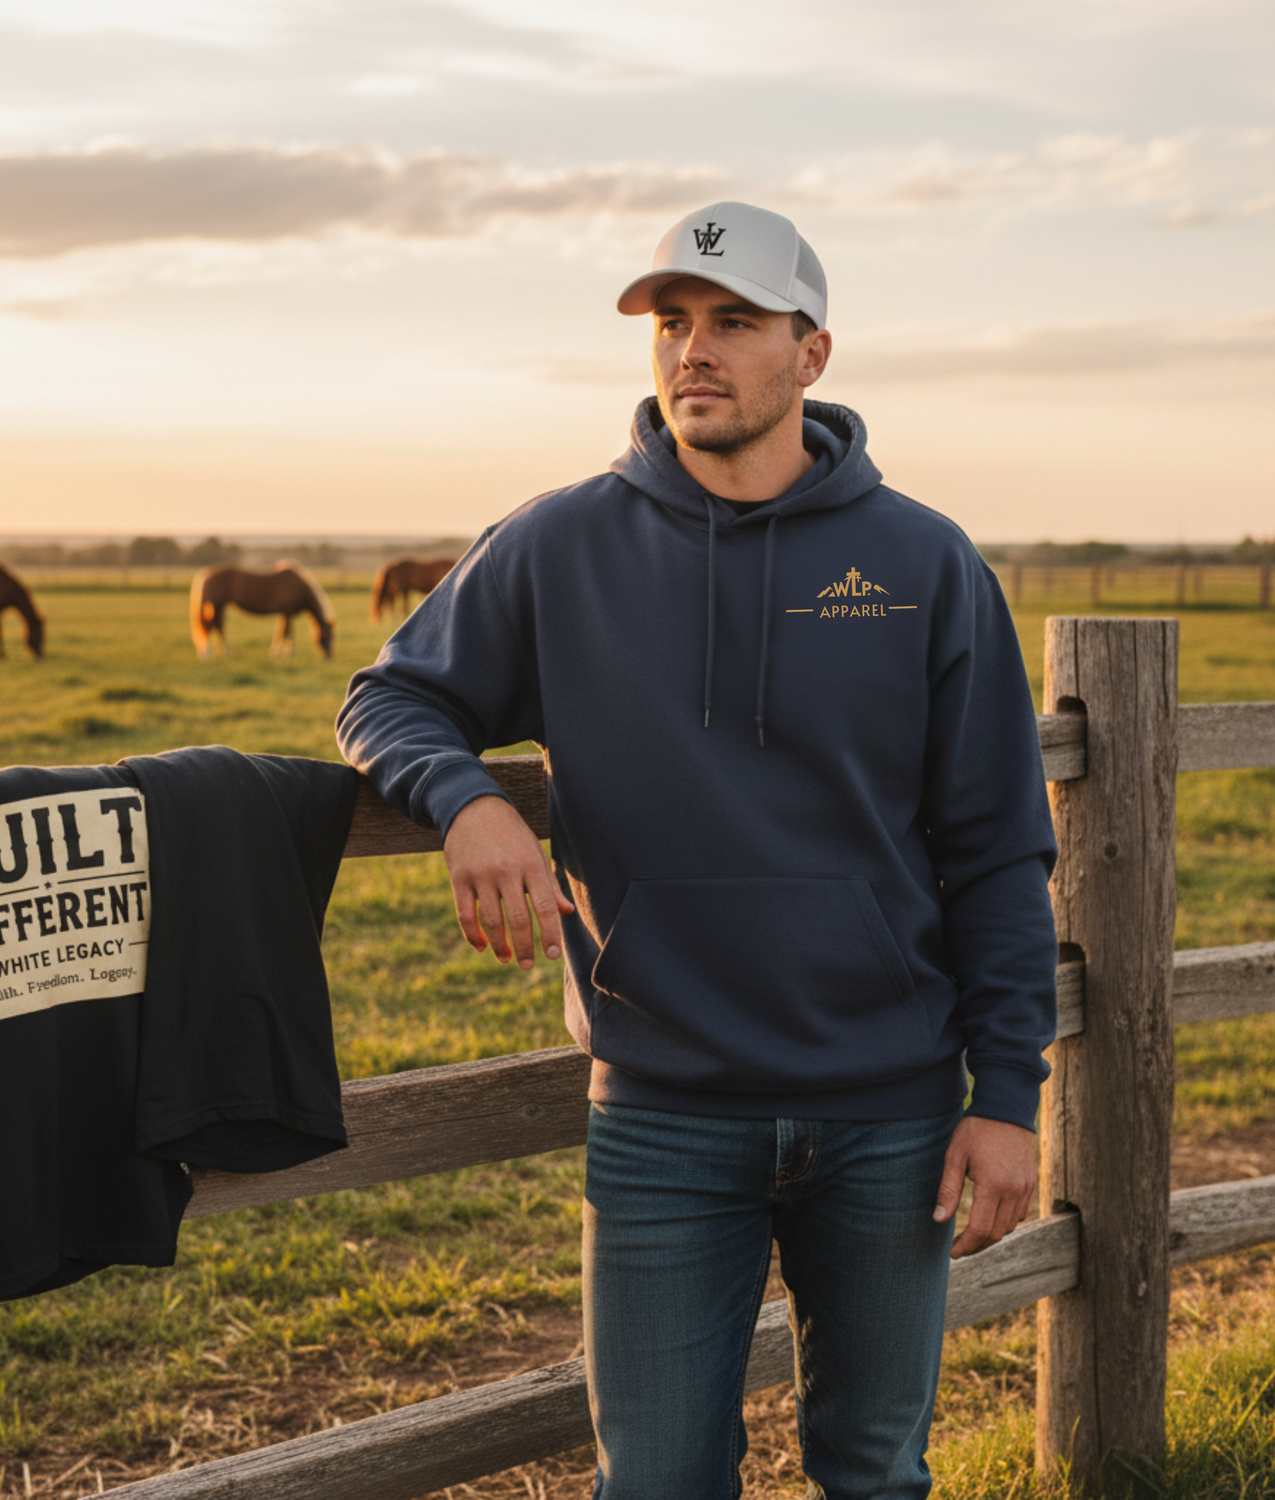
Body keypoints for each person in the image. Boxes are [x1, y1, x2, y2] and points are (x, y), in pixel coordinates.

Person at [337, 201, 1058, 1500]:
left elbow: (999, 851)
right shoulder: (562, 544)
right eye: (672, 323)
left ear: (813, 354)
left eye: (734, 321)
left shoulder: (924, 562)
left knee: (875, 1472)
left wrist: (1006, 1098)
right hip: (665, 1105)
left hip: (890, 1109)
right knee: (658, 1482)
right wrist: (468, 800)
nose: (693, 351)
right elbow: (386, 697)